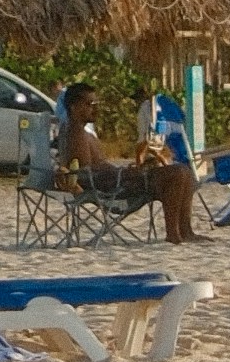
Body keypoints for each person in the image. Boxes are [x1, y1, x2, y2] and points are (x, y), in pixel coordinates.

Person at [57, 81, 195, 246]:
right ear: (74, 107)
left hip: (117, 182)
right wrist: (125, 173)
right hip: (113, 189)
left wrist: (126, 170)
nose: (96, 108)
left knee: (184, 172)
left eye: (96, 104)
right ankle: (174, 233)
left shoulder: (79, 130)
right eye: (90, 104)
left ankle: (185, 231)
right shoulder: (76, 133)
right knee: (178, 173)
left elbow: (93, 169)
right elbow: (87, 174)